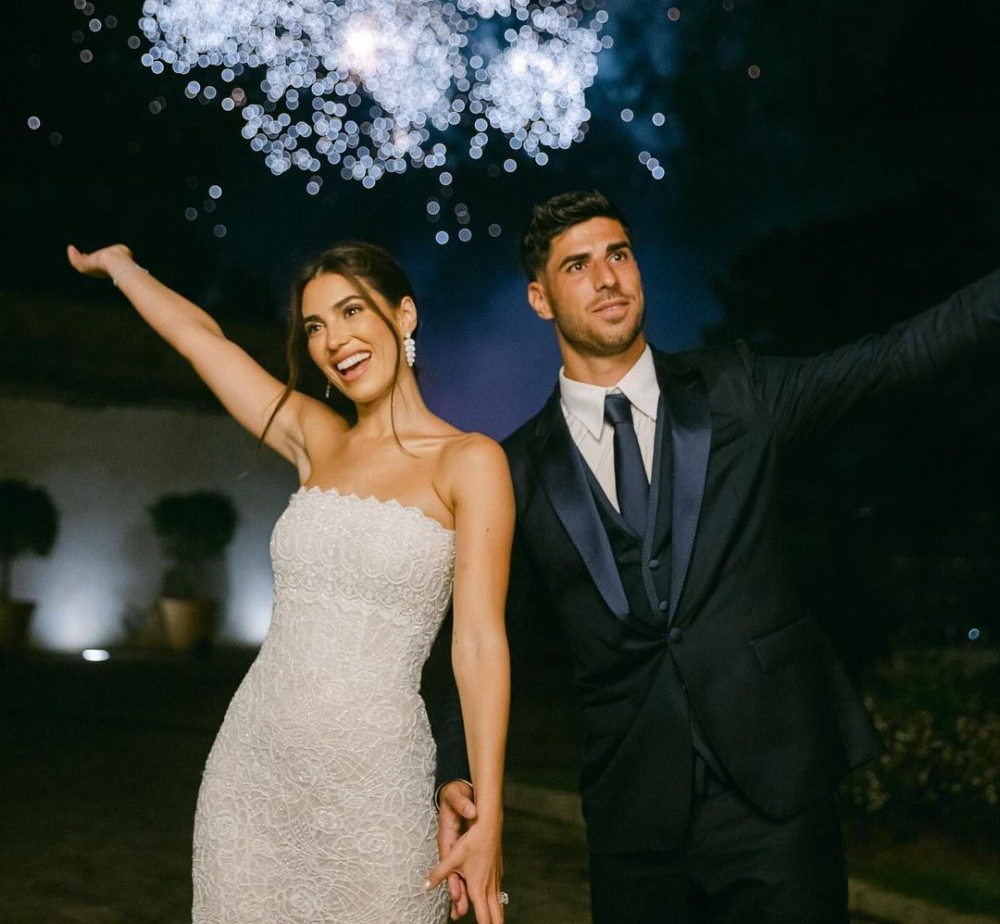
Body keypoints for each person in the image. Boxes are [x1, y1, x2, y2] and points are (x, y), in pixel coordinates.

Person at [431, 190, 999, 923]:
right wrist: (456, 768)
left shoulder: (736, 389)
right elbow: (475, 636)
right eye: (579, 265)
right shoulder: (513, 471)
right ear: (540, 298)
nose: (608, 278)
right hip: (633, 815)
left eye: (620, 255)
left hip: (776, 797)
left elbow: (889, 359)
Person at [67, 240, 512, 924]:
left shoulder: (470, 462)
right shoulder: (315, 436)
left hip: (376, 789)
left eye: (351, 311)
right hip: (253, 777)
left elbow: (479, 645)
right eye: (314, 327)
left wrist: (489, 818)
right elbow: (201, 340)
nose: (333, 339)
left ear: (405, 315)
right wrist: (123, 268)